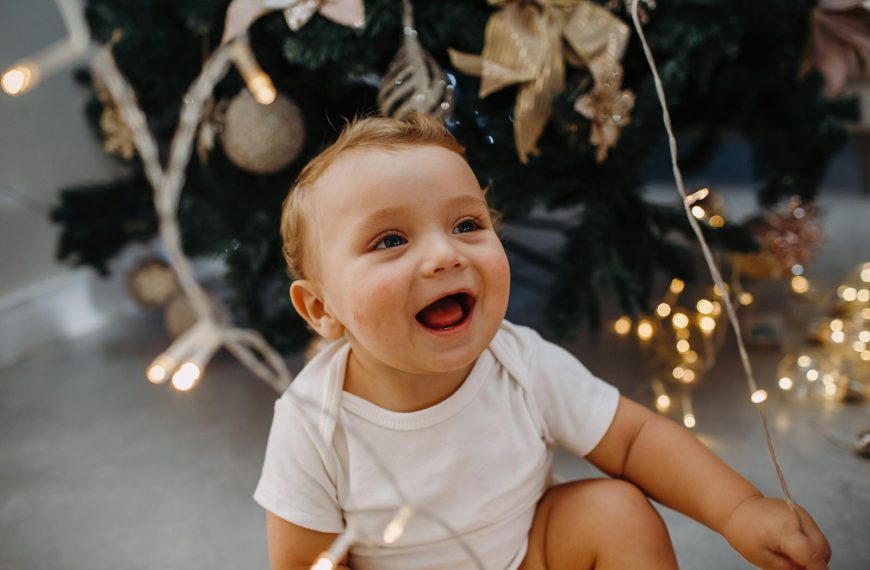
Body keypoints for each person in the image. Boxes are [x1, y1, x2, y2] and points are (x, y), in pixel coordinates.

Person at [254, 114, 831, 570]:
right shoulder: (312, 420)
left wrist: (738, 509)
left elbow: (633, 440)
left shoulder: (519, 360)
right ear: (321, 309)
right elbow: (307, 563)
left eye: (466, 225)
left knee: (616, 510)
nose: (446, 255)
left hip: (530, 555)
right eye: (390, 240)